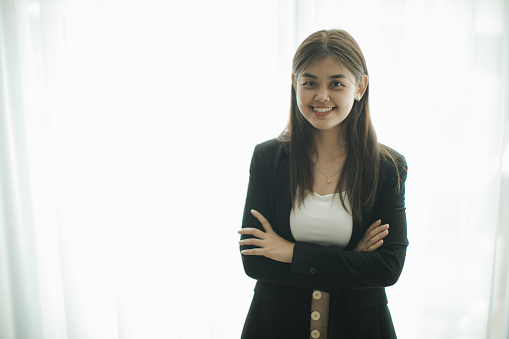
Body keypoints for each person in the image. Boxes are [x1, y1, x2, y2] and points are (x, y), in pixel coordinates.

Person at [238, 29, 408, 339]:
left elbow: (387, 268)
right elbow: (255, 263)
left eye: (336, 83)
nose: (322, 96)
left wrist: (290, 252)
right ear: (295, 84)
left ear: (360, 87)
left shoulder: (388, 168)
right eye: (310, 82)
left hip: (359, 328)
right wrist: (353, 261)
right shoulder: (268, 158)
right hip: (275, 325)